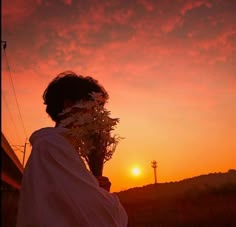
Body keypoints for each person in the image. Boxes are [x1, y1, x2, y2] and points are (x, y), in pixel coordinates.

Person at [16, 71, 128, 227]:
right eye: (93, 107)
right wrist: (103, 195)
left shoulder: (59, 147)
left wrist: (96, 188)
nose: (97, 115)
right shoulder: (53, 146)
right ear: (68, 105)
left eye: (100, 110)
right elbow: (103, 217)